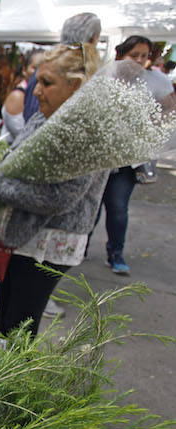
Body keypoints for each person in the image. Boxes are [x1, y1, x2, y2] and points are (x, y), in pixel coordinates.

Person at [0, 43, 105, 336]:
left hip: (49, 241)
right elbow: (16, 158)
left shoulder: (90, 131)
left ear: (76, 86)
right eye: (37, 80)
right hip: (26, 235)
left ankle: (13, 380)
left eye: (46, 83)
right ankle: (4, 377)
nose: (36, 90)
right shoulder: (47, 115)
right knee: (7, 307)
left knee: (20, 321)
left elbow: (58, 199)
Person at [89, 36, 171, 275]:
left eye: (144, 56)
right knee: (91, 205)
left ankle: (116, 254)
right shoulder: (104, 76)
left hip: (127, 160)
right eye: (134, 55)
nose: (139, 60)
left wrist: (150, 124)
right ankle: (80, 247)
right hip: (98, 157)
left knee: (117, 206)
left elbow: (168, 112)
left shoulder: (157, 81)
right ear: (121, 54)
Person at [23, 12, 101, 122]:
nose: (36, 91)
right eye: (42, 82)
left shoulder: (46, 68)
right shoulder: (48, 68)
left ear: (75, 84)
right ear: (94, 38)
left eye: (46, 83)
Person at [1, 51, 42, 142]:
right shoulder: (18, 96)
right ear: (24, 70)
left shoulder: (37, 95)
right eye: (35, 68)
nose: (38, 72)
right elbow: (22, 136)